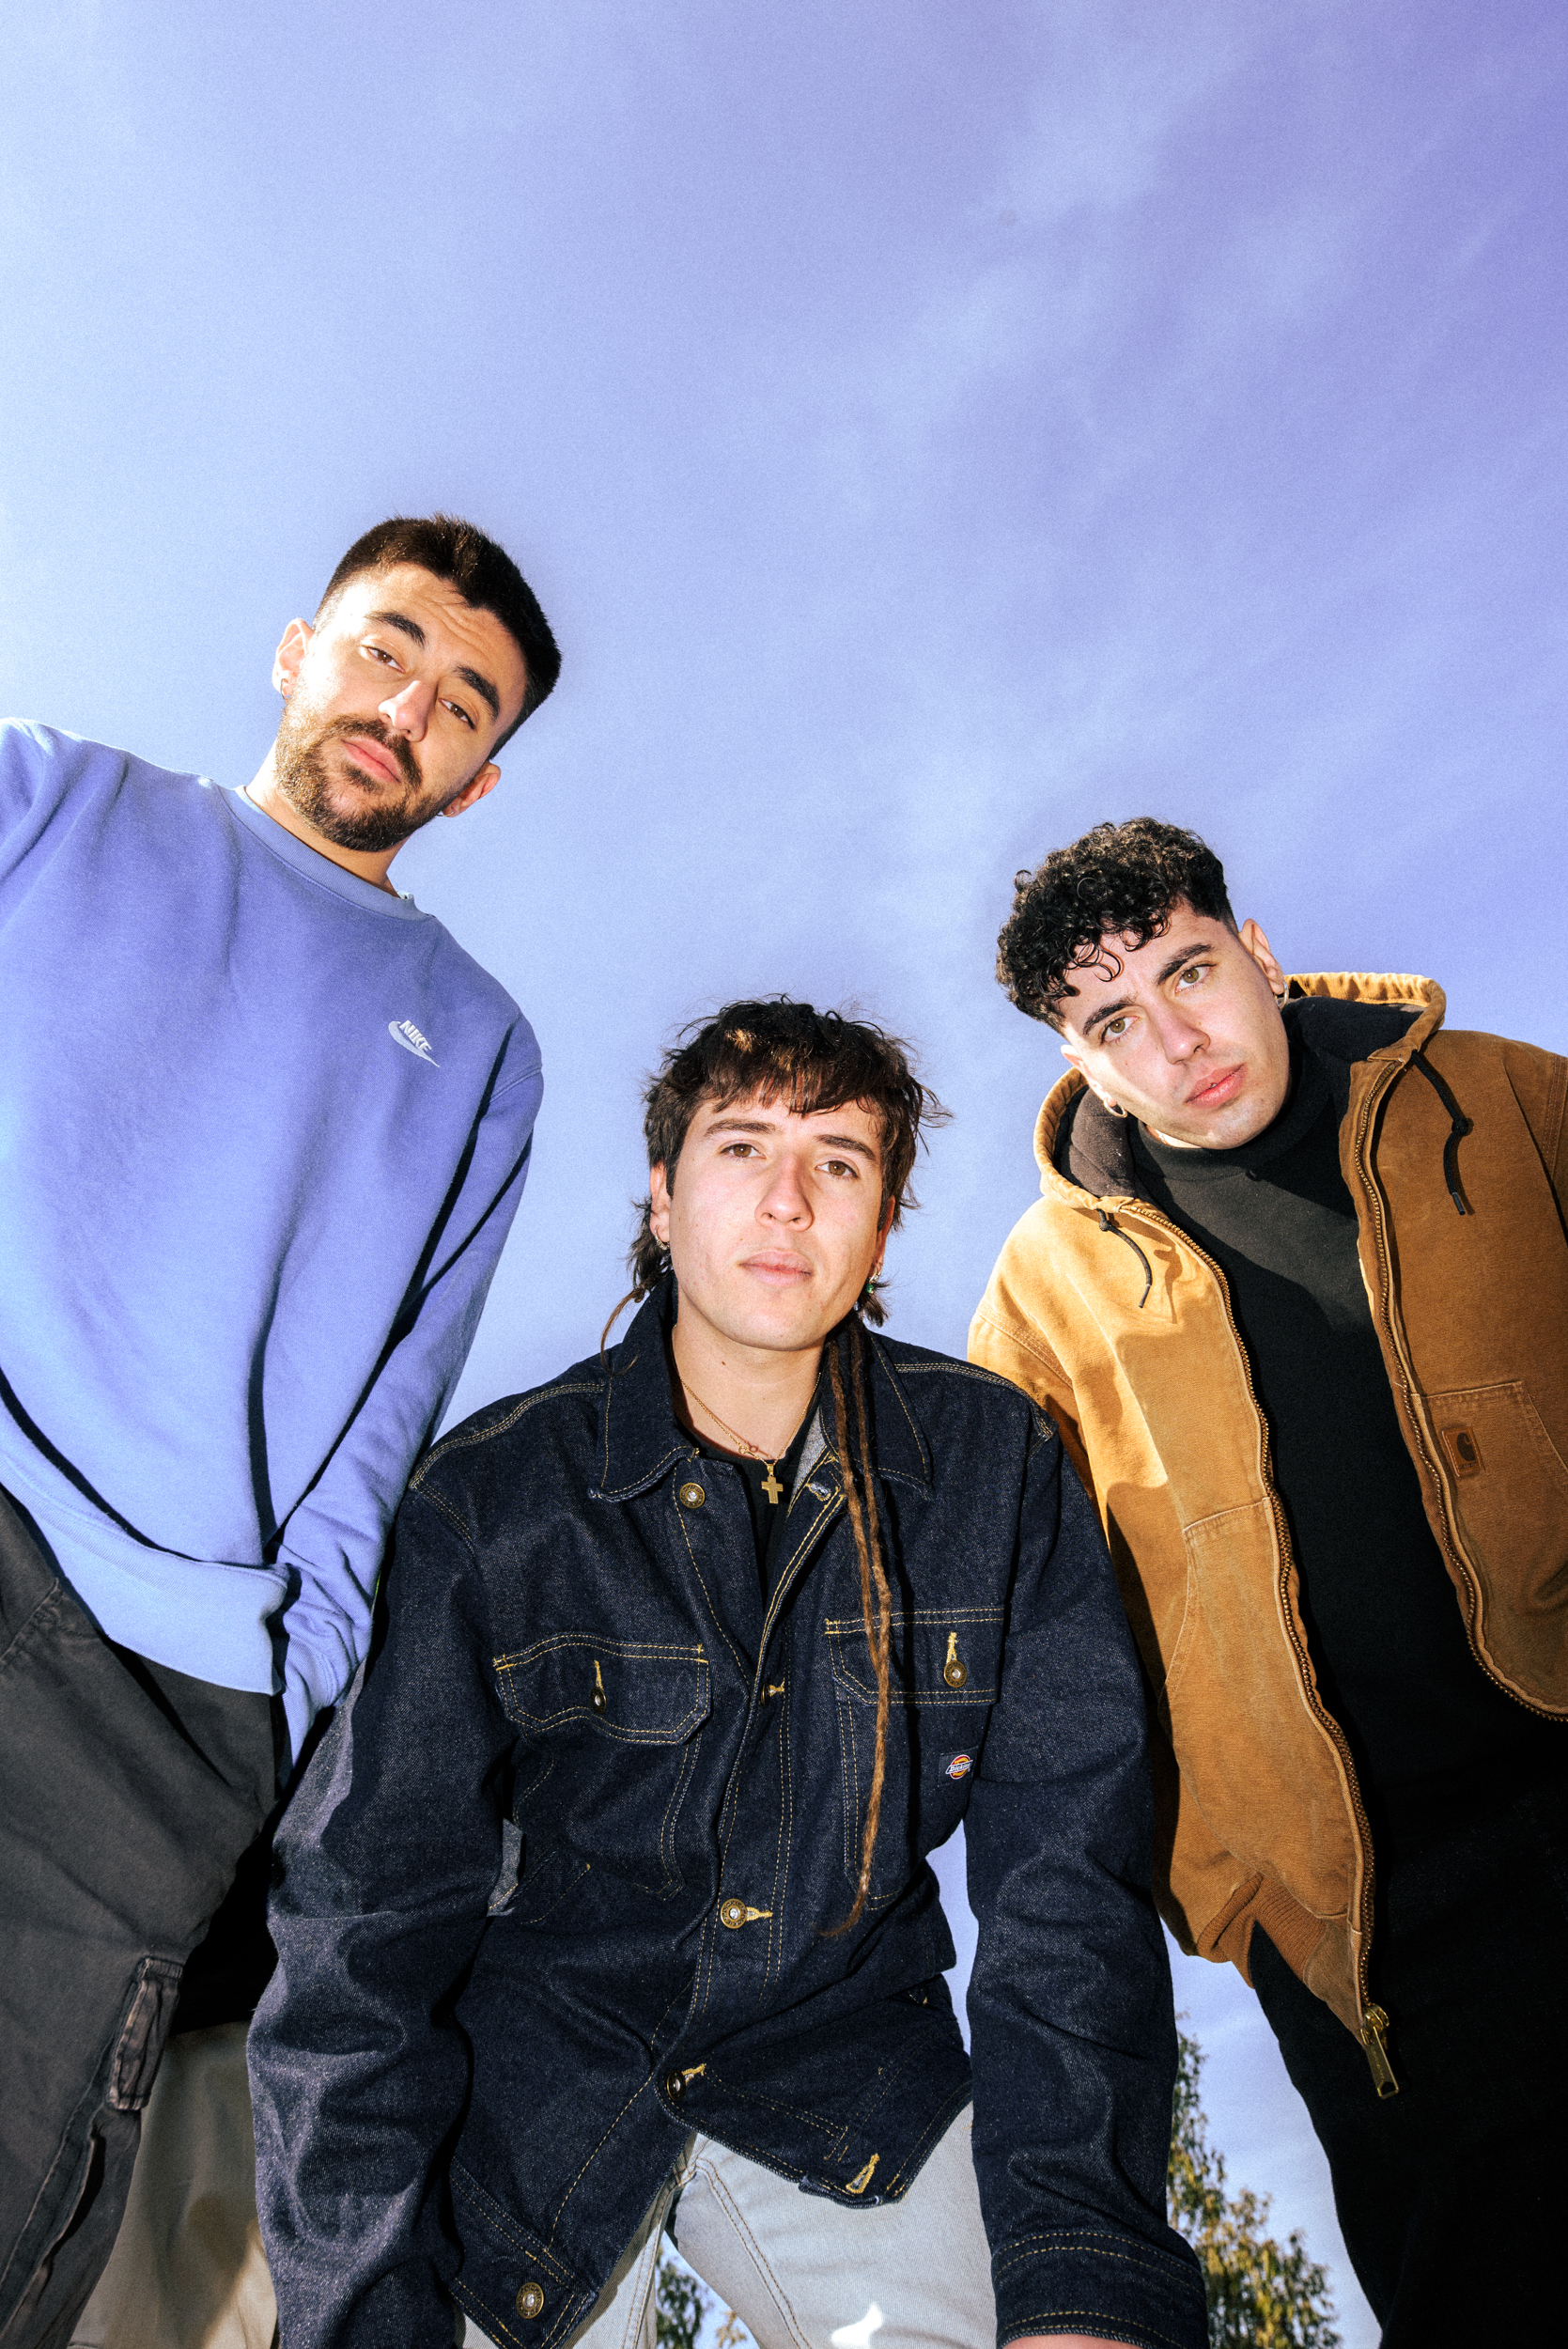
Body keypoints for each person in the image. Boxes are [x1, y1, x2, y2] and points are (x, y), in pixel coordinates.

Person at [247, 999, 1208, 2349]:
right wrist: (358, 2312)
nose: (787, 1201)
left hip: (850, 2071)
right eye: (743, 1147)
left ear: (884, 1226)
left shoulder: (997, 1475)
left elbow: (1068, 1895)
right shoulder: (491, 1498)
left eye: (838, 1161)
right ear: (661, 1196)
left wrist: (1081, 2275)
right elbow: (362, 1924)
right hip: (528, 2096)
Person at [0, 513, 562, 2348]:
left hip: (152, 1703)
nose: (409, 706)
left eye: (463, 703)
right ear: (296, 646)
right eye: (386, 647)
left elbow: (388, 1418)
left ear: (480, 780)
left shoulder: (479, 1045)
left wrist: (268, 1703)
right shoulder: (47, 796)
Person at [969, 818, 1568, 2345]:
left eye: (1187, 973)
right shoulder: (1039, 1303)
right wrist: (1219, 1882)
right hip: (1365, 1927)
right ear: (1081, 1064)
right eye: (1114, 1022)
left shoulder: (1502, 1098)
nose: (1174, 1043)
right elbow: (1029, 1650)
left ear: (1259, 954)